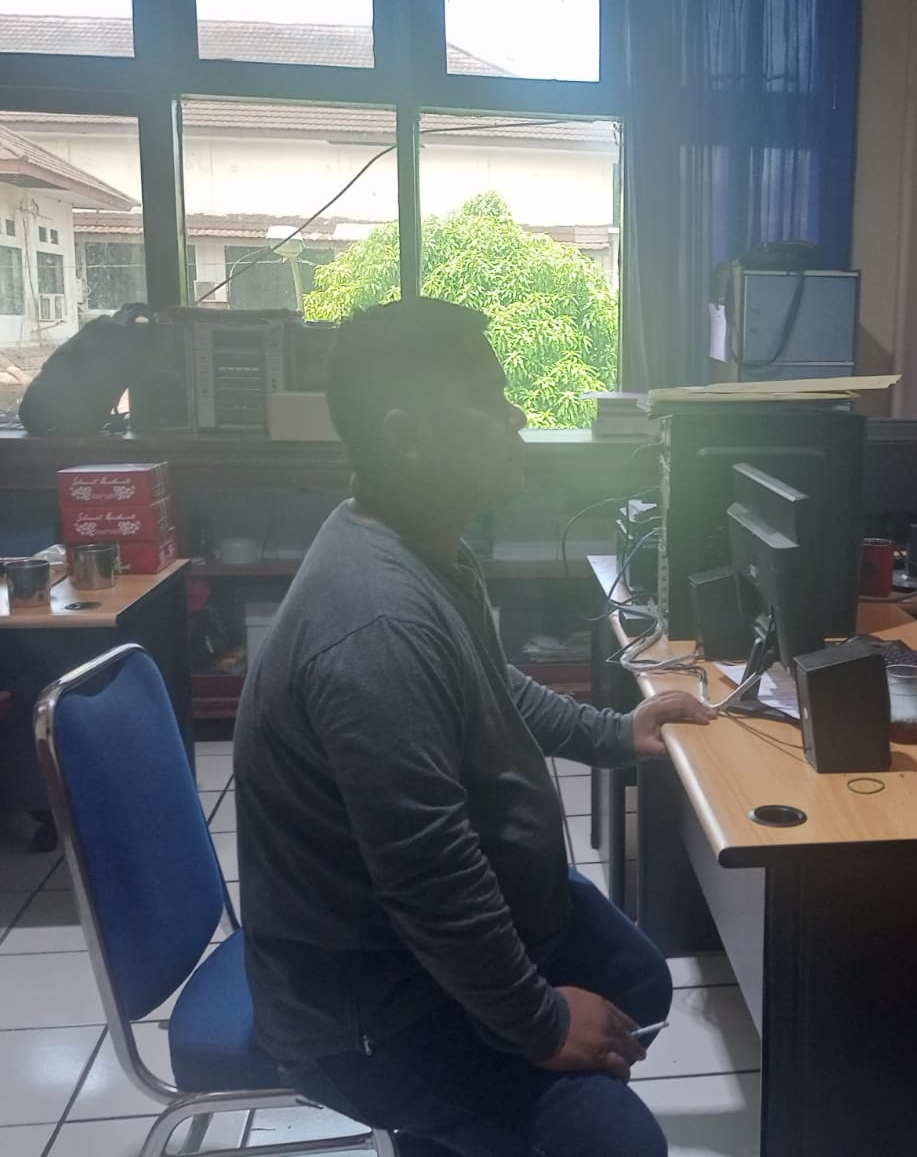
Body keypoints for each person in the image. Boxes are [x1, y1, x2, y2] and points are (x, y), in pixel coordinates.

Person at [234, 297, 715, 1157]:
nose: (515, 416)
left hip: (433, 939)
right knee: (617, 1146)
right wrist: (540, 1023)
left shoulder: (414, 543)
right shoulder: (376, 626)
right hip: (373, 1005)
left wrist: (614, 733)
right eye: (487, 400)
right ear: (409, 437)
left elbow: (489, 686)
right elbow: (431, 877)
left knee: (636, 979)